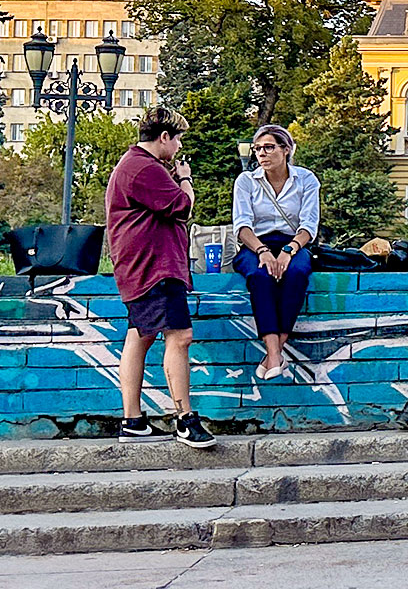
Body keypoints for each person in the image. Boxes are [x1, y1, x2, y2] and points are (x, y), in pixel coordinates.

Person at [106, 107, 215, 449]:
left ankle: (133, 421)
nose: (180, 146)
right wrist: (184, 178)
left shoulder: (133, 165)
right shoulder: (144, 168)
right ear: (164, 137)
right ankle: (184, 419)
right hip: (155, 266)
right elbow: (183, 206)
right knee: (180, 336)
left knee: (140, 336)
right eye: (178, 138)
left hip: (139, 265)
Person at [233, 125, 320, 381]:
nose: (262, 154)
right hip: (254, 244)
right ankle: (275, 354)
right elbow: (242, 225)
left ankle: (273, 354)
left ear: (286, 150)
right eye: (258, 149)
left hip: (293, 243)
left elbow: (309, 225)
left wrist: (288, 251)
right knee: (260, 277)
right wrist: (262, 251)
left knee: (297, 274)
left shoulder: (305, 179)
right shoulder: (246, 181)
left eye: (269, 147)